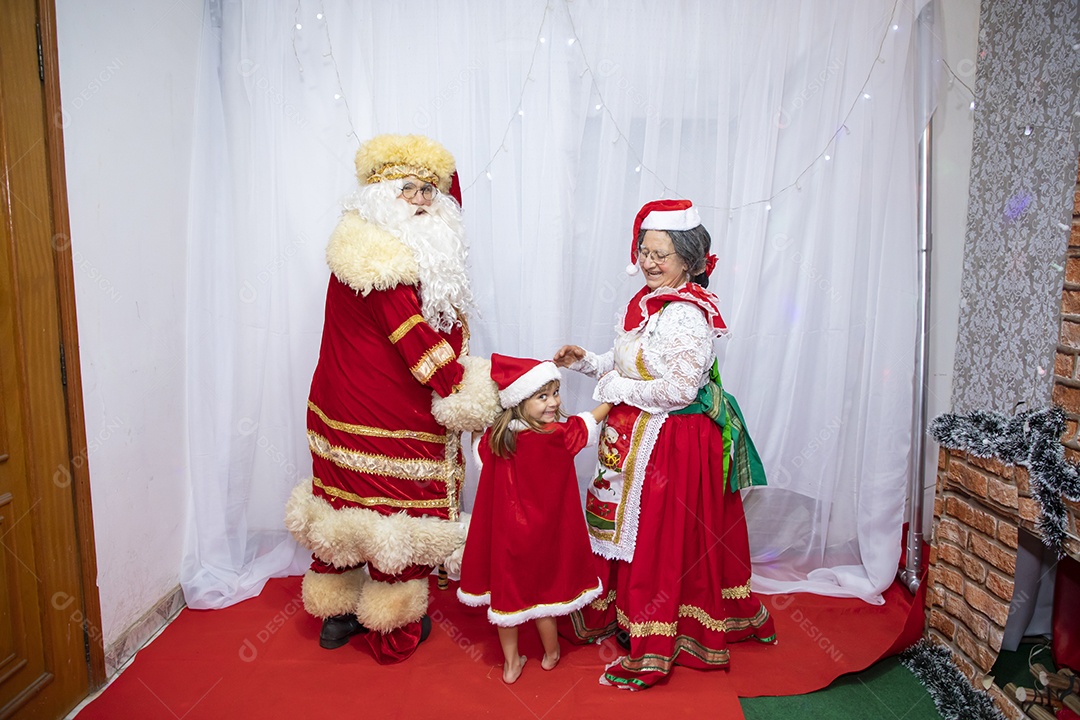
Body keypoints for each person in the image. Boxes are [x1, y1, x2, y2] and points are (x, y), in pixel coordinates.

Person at [285, 134, 500, 664]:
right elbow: (413, 339)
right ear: (381, 191)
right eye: (410, 188)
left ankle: (336, 617)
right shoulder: (380, 256)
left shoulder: (368, 240)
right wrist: (458, 386)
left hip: (341, 403)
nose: (423, 199)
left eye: (431, 189)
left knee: (344, 504)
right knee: (395, 514)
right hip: (388, 409)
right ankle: (393, 624)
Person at [554, 198, 776, 690]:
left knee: (655, 536)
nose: (649, 263)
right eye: (644, 251)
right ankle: (622, 613)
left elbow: (679, 390)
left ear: (689, 261)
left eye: (661, 254)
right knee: (625, 533)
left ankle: (658, 633)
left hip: (670, 443)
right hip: (637, 438)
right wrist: (590, 361)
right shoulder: (647, 303)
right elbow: (631, 360)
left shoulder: (687, 316)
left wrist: (613, 390)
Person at [457, 354, 612, 684]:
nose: (553, 403)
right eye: (542, 396)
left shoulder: (498, 439)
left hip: (506, 539)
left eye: (555, 393)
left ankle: (512, 664)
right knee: (545, 600)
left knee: (507, 605)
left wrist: (473, 426)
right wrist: (612, 401)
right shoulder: (555, 436)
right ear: (518, 401)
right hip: (542, 539)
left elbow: (478, 457)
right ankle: (551, 654)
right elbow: (587, 422)